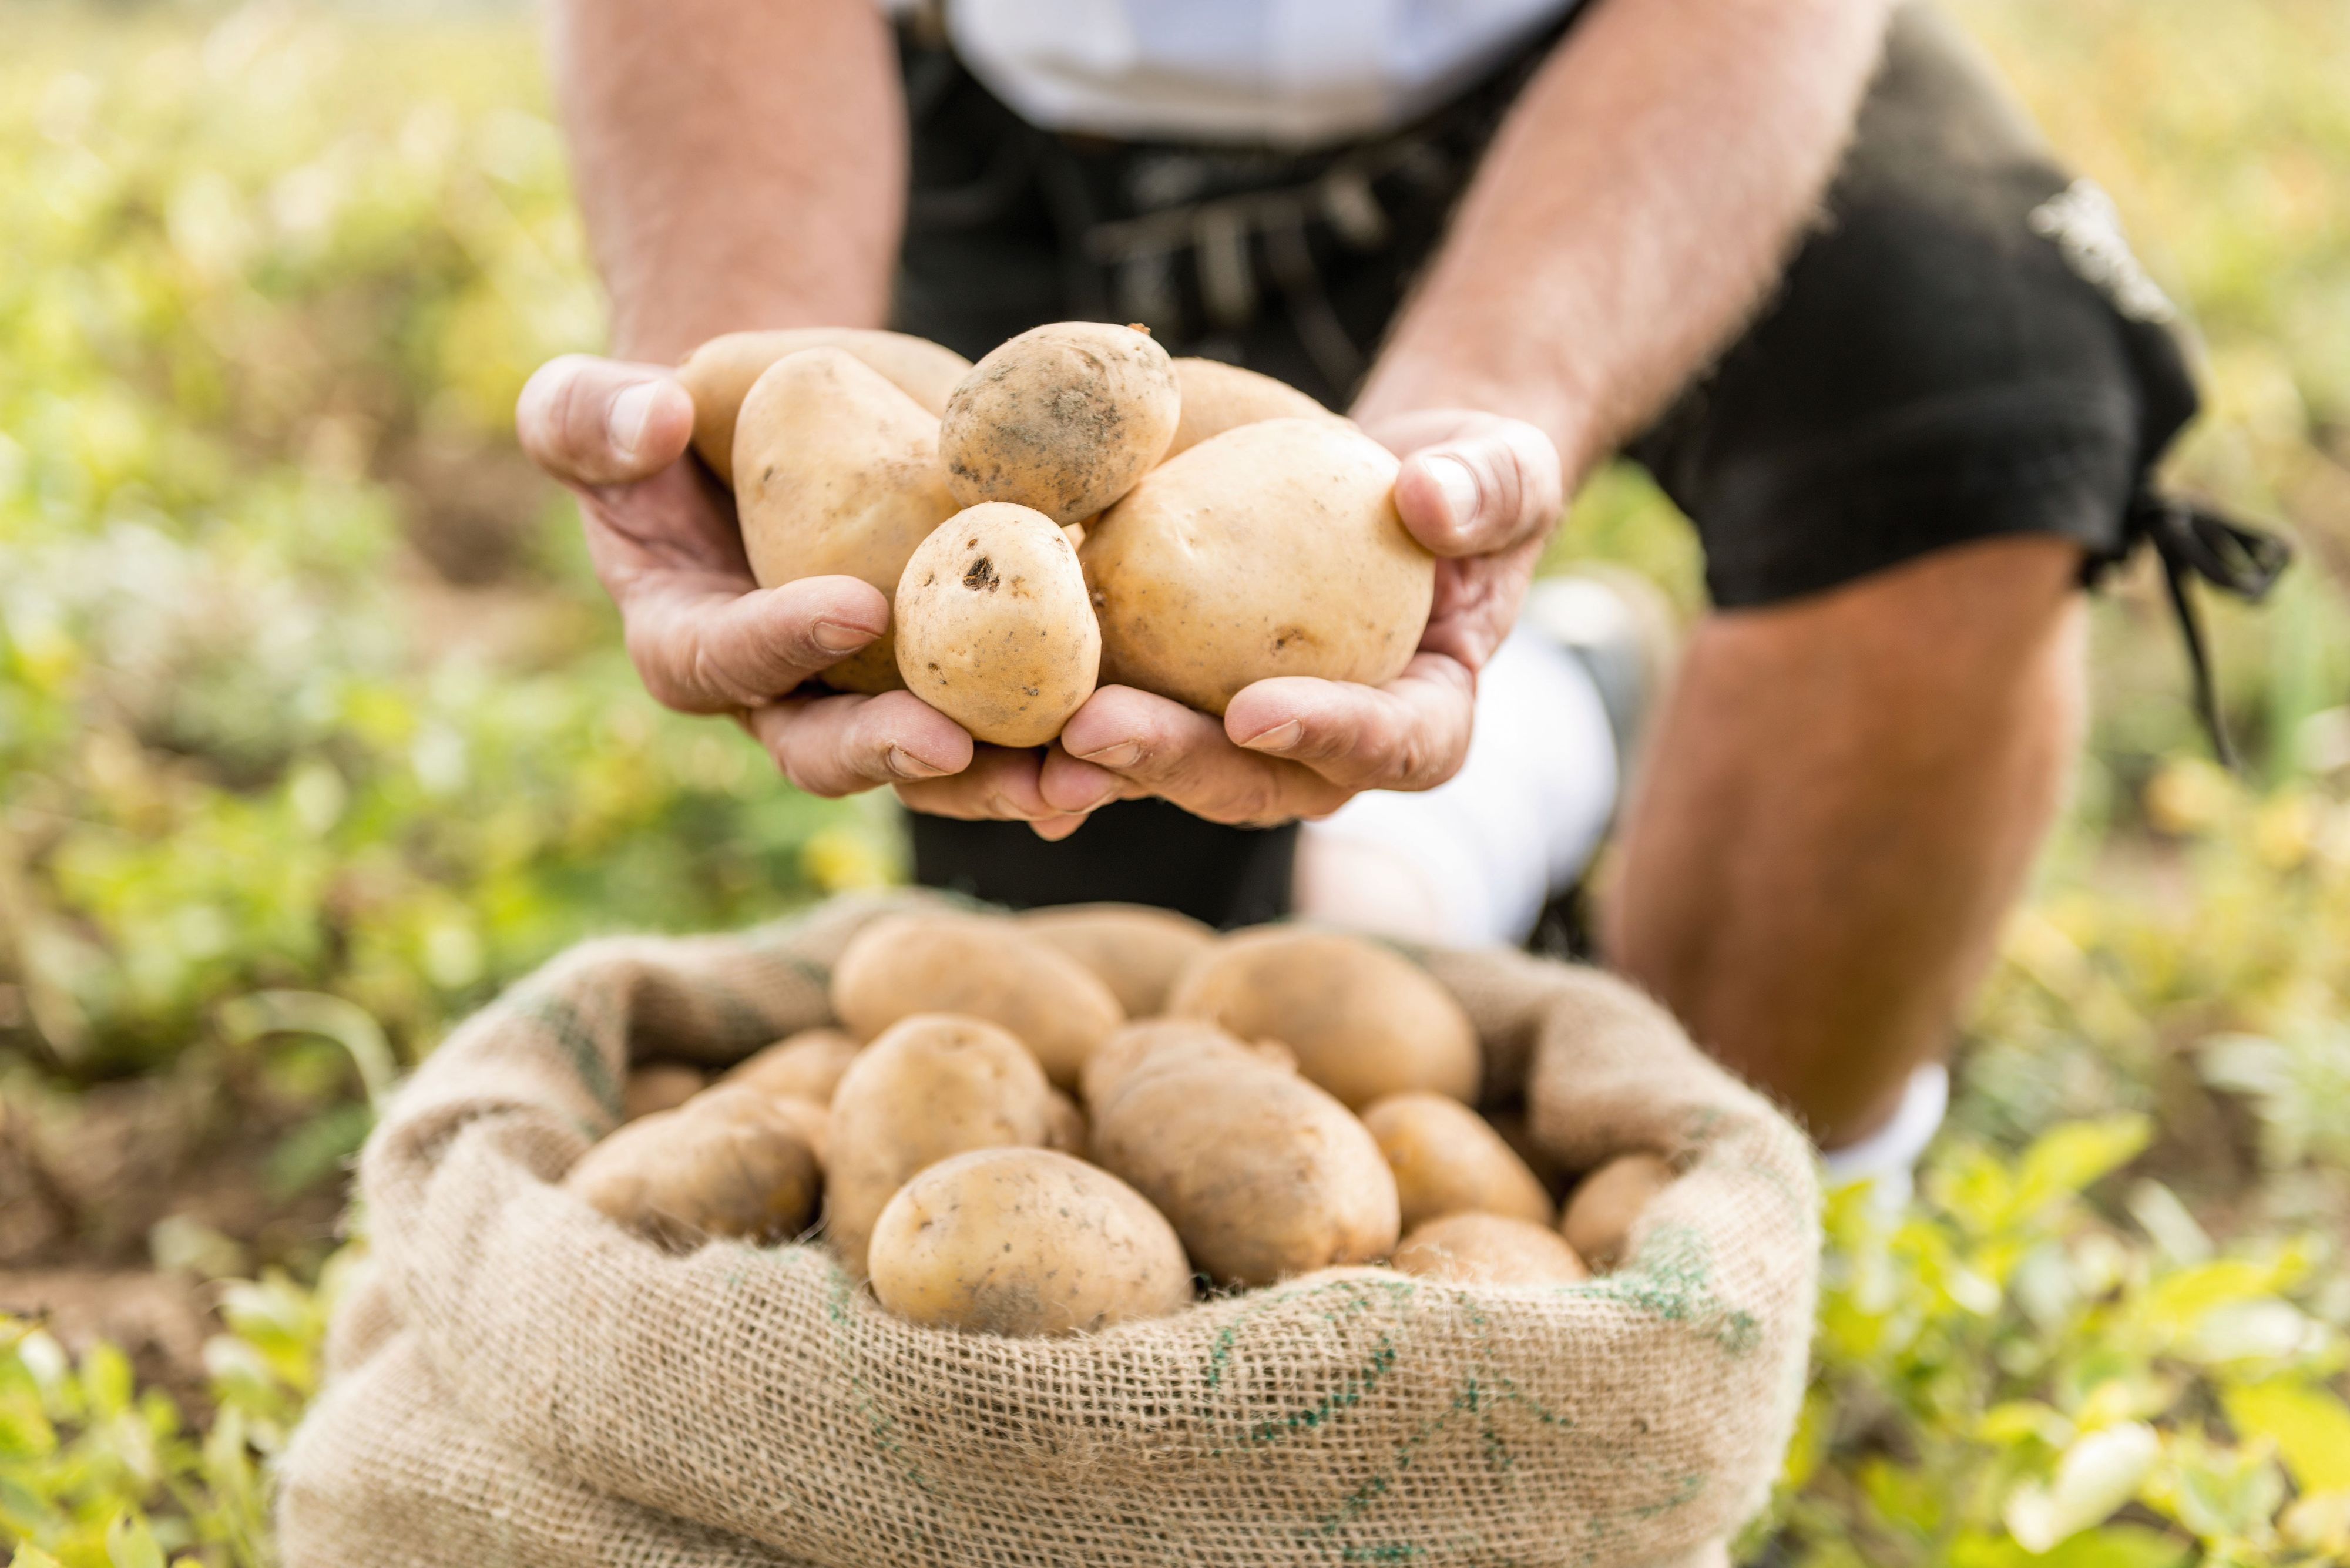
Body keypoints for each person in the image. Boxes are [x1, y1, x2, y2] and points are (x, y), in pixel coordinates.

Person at [515, 0, 2265, 1173]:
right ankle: (1528, 764)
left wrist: (1471, 428)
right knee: (1143, 1031)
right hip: (989, 107)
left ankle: (1745, 1266)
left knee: (1973, 401)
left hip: (1605, 60)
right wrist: (729, 383)